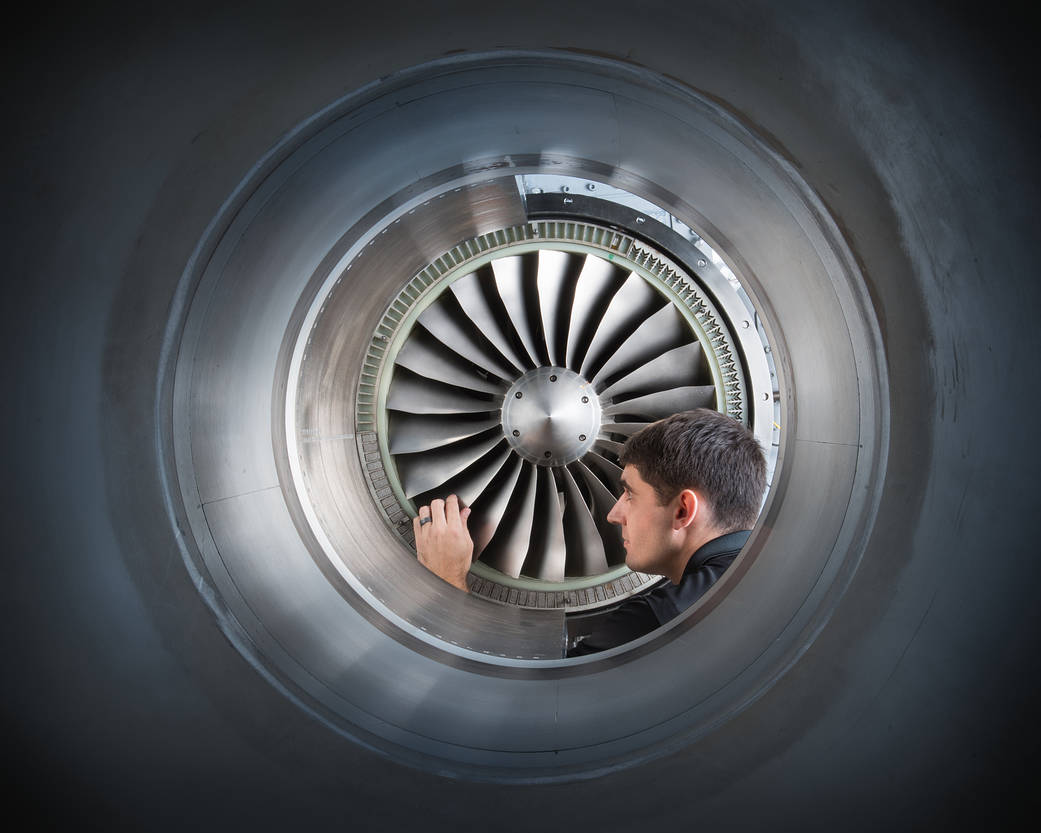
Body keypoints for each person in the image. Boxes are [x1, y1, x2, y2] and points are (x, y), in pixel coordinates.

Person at [413, 408, 766, 656]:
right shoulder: (780, 582)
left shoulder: (662, 621)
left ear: (682, 510)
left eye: (629, 494)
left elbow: (532, 714)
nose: (614, 514)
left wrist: (447, 585)